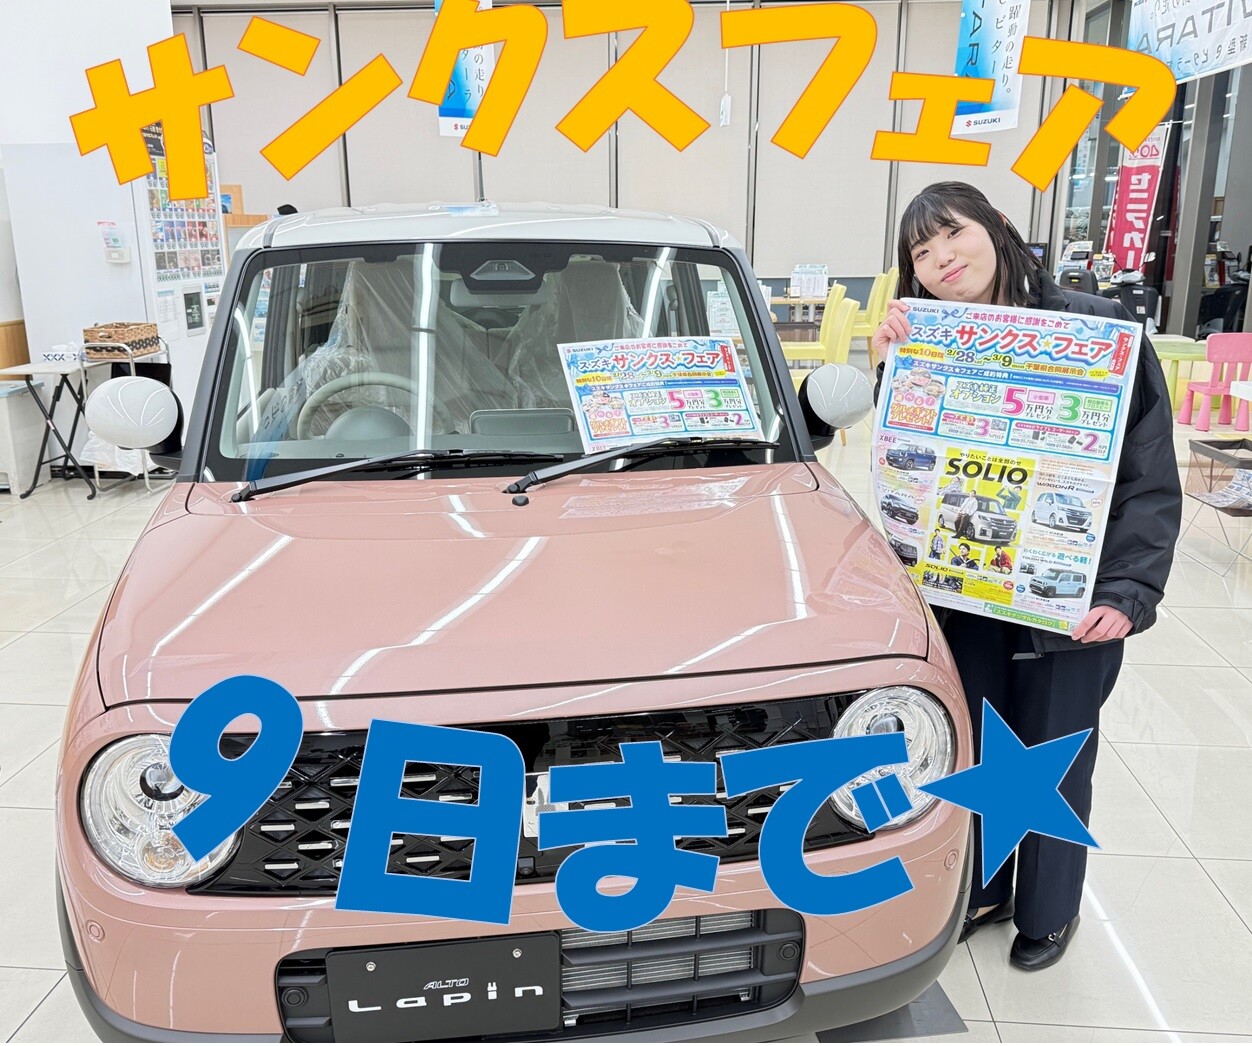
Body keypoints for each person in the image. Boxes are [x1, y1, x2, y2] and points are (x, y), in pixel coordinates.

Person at [872, 182, 1181, 971]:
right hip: (967, 592)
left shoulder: (1097, 330)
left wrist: (1128, 592)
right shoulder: (927, 340)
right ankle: (983, 890)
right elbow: (906, 470)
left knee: (1054, 753)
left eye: (953, 234)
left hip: (1071, 594)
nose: (942, 259)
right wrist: (892, 369)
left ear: (999, 227)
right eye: (921, 252)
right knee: (977, 746)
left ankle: (1049, 911)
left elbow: (1149, 475)